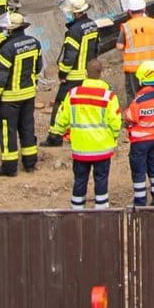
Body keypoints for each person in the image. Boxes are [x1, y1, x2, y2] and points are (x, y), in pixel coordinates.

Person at [53, 54, 122, 210]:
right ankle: (101, 209)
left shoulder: (73, 94)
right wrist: (114, 137)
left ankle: (77, 210)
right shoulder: (108, 96)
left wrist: (59, 131)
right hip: (102, 147)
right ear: (101, 74)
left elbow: (62, 117)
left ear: (86, 73)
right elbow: (116, 122)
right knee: (101, 179)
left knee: (80, 179)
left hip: (81, 148)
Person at [0, 11, 42, 177]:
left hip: (10, 98)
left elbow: (0, 78)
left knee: (8, 132)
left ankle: (9, 167)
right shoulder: (34, 43)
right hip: (28, 95)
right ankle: (30, 163)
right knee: (27, 128)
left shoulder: (7, 49)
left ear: (10, 30)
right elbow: (38, 68)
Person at [45, 0, 98, 148]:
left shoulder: (74, 31)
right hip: (88, 75)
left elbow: (69, 58)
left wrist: (62, 74)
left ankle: (54, 137)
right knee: (84, 105)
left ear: (75, 13)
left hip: (74, 75)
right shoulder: (92, 25)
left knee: (60, 104)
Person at [124, 59, 154, 207]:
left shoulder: (139, 101)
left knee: (138, 173)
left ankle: (140, 202)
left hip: (140, 142)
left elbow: (130, 118)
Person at [117, 0, 154, 100]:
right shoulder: (153, 23)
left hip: (134, 67)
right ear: (144, 9)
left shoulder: (127, 26)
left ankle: (134, 114)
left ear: (130, 11)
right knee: (150, 91)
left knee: (135, 94)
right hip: (152, 65)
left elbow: (119, 46)